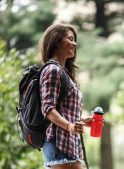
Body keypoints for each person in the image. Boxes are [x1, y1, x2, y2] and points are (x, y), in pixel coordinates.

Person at [39, 23, 91, 169]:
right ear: (56, 41)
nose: (75, 43)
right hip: (59, 146)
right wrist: (69, 126)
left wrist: (80, 121)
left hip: (68, 146)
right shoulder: (52, 70)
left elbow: (62, 111)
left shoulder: (64, 73)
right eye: (70, 39)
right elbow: (48, 108)